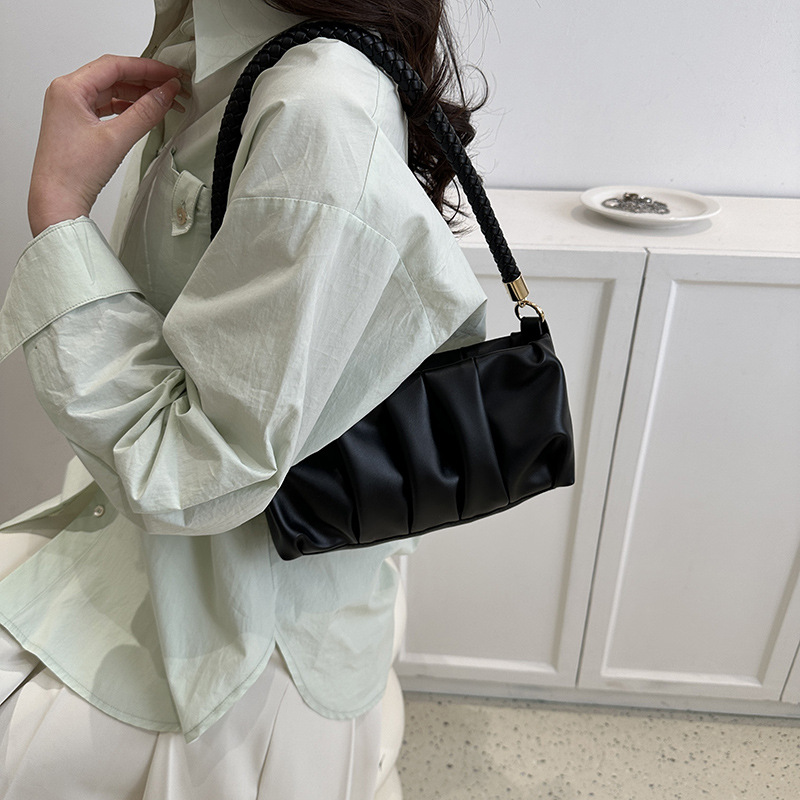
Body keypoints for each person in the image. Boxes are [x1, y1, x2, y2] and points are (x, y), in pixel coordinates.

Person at [0, 0, 487, 796]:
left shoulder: (317, 109)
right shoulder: (217, 45)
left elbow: (190, 472)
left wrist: (58, 211)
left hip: (231, 635)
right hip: (165, 557)